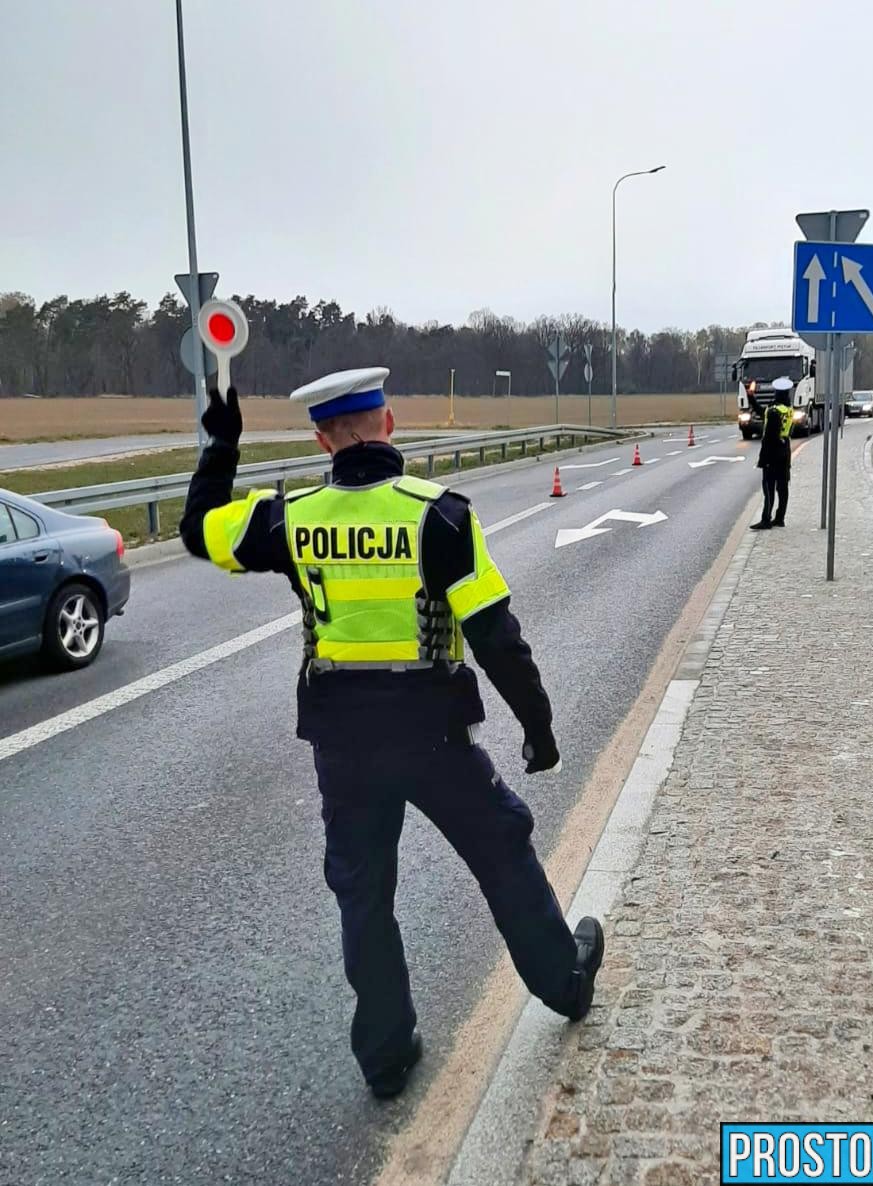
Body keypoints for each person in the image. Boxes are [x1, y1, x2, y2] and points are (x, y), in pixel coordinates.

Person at [179, 367, 604, 1099]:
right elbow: (494, 634)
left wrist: (222, 444)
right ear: (390, 424)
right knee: (502, 852)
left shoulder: (289, 516)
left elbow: (197, 531)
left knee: (363, 893)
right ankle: (564, 982)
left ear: (322, 439)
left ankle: (385, 1054)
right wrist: (538, 726)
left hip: (341, 743)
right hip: (433, 734)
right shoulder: (438, 514)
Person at [750, 376, 794, 530]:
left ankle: (766, 519)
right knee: (783, 487)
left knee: (768, 487)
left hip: (773, 454)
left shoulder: (774, 412)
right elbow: (761, 411)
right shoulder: (788, 410)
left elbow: (770, 437)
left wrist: (764, 460)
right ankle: (780, 517)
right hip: (785, 452)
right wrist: (751, 398)